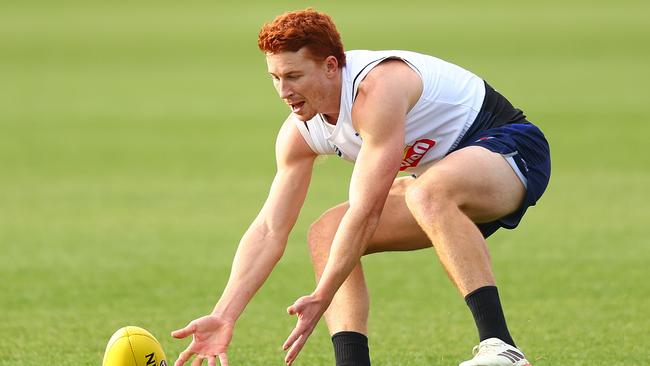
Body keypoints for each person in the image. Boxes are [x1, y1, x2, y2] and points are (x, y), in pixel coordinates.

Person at [171, 8, 550, 366]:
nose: (283, 91)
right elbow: (270, 228)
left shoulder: (376, 89)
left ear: (331, 66)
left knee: (425, 193)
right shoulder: (299, 132)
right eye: (275, 78)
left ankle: (501, 349)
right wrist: (225, 314)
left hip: (510, 151)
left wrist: (323, 294)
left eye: (294, 76)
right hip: (441, 180)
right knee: (327, 233)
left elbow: (366, 210)